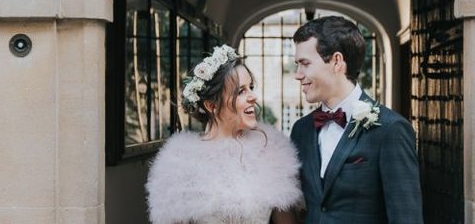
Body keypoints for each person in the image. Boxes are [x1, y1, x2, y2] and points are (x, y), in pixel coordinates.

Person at [146, 44, 302, 224]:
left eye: (251, 87)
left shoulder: (272, 152)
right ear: (211, 106)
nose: (253, 97)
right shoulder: (180, 161)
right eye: (241, 91)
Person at [290, 16, 423, 224]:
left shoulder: (391, 129)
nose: (297, 75)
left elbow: (406, 218)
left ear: (336, 61)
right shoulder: (301, 130)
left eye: (305, 64)